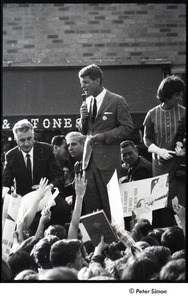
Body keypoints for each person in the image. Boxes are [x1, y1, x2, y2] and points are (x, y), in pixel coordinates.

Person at [78, 64, 134, 220]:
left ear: (97, 80)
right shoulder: (86, 102)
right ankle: (96, 242)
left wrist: (104, 136)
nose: (82, 86)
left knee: (111, 205)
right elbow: (84, 131)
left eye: (86, 82)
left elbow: (128, 127)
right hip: (89, 162)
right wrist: (83, 118)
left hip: (108, 162)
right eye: (81, 82)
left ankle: (116, 241)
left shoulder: (117, 101)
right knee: (92, 206)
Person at [2, 119, 71, 232]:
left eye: (29, 138)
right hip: (24, 198)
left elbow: (58, 176)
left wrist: (49, 187)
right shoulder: (11, 156)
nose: (27, 143)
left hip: (47, 195)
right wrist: (7, 192)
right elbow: (6, 182)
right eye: (22, 140)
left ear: (33, 136)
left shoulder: (47, 149)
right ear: (16, 140)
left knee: (64, 208)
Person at [143, 75, 186, 227]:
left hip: (180, 165)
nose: (180, 98)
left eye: (181, 95)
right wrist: (158, 150)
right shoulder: (152, 114)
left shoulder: (184, 112)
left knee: (180, 202)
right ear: (166, 96)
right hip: (160, 164)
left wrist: (184, 150)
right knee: (161, 204)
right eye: (177, 95)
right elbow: (146, 139)